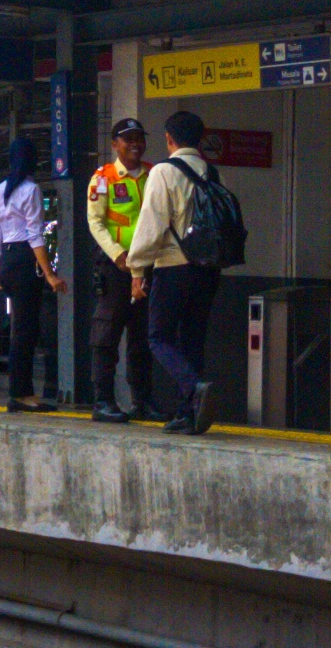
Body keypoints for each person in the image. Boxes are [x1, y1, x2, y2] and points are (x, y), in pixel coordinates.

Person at [125, 106, 240, 435]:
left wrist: (137, 269)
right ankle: (186, 414)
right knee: (192, 338)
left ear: (168, 139)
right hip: (208, 269)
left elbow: (152, 224)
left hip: (174, 267)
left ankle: (195, 385)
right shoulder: (213, 172)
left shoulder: (164, 171)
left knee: (158, 337)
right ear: (200, 139)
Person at [82, 116, 150, 421]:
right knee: (106, 334)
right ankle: (103, 401)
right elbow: (95, 222)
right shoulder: (103, 177)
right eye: (128, 139)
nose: (135, 144)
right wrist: (117, 255)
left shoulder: (153, 174)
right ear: (114, 145)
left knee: (143, 337)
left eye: (139, 138)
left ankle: (142, 402)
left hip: (148, 267)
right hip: (116, 268)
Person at [0, 137, 62, 410]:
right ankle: (22, 393)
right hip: (23, 259)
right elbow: (35, 236)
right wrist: (50, 273)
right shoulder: (31, 189)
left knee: (20, 328)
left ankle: (19, 390)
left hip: (7, 260)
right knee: (26, 330)